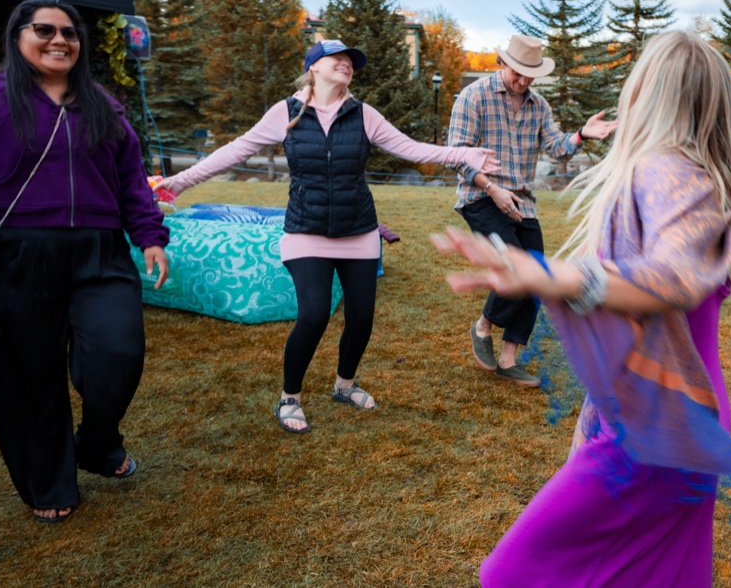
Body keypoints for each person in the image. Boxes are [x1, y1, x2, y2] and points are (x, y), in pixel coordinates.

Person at [434, 30, 731, 587]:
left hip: (657, 427)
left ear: (645, 89)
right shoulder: (696, 176)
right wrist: (591, 423)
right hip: (674, 417)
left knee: (513, 574)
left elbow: (672, 277)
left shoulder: (668, 169)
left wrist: (551, 274)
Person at [159, 40, 499, 433]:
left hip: (359, 231)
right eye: (337, 59)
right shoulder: (286, 112)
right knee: (314, 314)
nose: (346, 64)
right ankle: (290, 397)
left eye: (351, 61)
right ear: (314, 67)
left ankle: (344, 385)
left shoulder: (364, 114)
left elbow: (412, 149)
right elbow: (235, 151)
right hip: (306, 230)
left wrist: (463, 154)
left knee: (362, 317)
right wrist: (180, 182)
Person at [0, 0, 170, 522]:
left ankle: (97, 444)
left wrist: (150, 235)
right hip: (16, 255)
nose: (59, 40)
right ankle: (49, 485)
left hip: (100, 252)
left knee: (118, 354)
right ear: (17, 37)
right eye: (44, 30)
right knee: (30, 375)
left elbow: (130, 179)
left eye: (70, 32)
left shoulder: (103, 105)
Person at [447, 34, 616, 387]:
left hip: (522, 201)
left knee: (539, 273)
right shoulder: (473, 96)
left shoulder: (539, 105)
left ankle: (508, 359)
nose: (523, 81)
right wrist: (492, 189)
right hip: (481, 197)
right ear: (502, 63)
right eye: (517, 73)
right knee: (516, 265)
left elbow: (556, 146)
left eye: (530, 75)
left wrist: (582, 134)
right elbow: (457, 155)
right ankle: (483, 326)